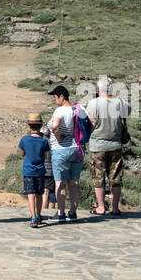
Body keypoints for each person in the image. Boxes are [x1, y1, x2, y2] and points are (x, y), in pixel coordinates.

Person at [86, 75, 129, 216]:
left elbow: (91, 123)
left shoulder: (93, 103)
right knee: (116, 177)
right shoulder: (121, 103)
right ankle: (115, 207)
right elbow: (128, 111)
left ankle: (100, 207)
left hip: (97, 145)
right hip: (115, 145)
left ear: (98, 89)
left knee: (98, 177)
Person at [48, 84, 86, 222]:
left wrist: (58, 136)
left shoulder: (60, 111)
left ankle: (61, 213)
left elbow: (54, 126)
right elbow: (91, 123)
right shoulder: (79, 108)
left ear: (62, 96)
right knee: (74, 182)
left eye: (55, 97)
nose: (54, 99)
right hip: (78, 149)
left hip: (61, 150)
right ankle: (73, 212)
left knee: (60, 182)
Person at [19, 113, 50, 228]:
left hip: (28, 171)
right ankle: (39, 214)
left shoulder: (24, 140)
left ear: (28, 125)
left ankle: (33, 217)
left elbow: (22, 154)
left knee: (31, 194)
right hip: (40, 170)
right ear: (41, 126)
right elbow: (45, 156)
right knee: (39, 194)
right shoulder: (44, 141)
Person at [40, 118, 56, 217]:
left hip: (44, 171)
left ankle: (44, 212)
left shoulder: (41, 143)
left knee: (45, 192)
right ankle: (51, 212)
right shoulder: (52, 143)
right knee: (52, 194)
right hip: (52, 171)